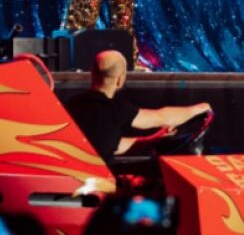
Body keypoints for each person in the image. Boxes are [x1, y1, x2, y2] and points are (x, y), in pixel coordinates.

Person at [64, 50, 212, 163]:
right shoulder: (115, 110)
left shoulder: (71, 104)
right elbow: (162, 117)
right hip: (100, 182)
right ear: (120, 80)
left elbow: (110, 145)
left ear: (92, 73)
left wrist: (153, 139)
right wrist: (200, 108)